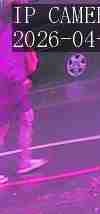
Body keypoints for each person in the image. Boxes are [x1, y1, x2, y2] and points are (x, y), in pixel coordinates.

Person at [0, 0, 49, 185]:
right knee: (2, 128)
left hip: (15, 85)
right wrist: (20, 79)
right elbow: (6, 64)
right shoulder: (10, 30)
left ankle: (25, 162)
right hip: (7, 87)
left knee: (27, 117)